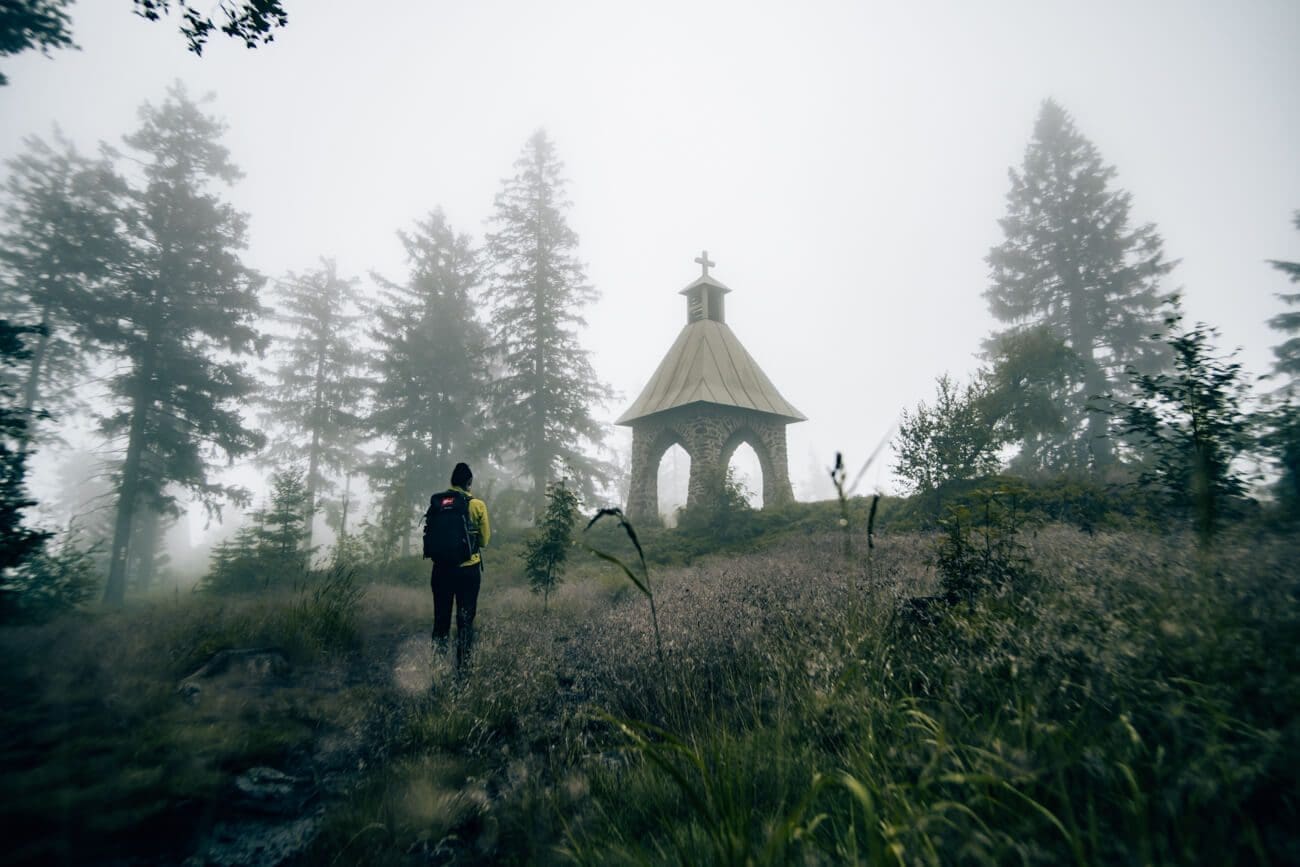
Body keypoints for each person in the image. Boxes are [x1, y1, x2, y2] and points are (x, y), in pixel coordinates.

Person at [428, 462, 490, 670]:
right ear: (469, 482)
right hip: (468, 571)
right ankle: (462, 670)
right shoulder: (477, 505)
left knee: (441, 619)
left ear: (452, 482)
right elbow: (484, 541)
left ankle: (436, 667)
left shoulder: (437, 503)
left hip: (441, 570)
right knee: (465, 620)